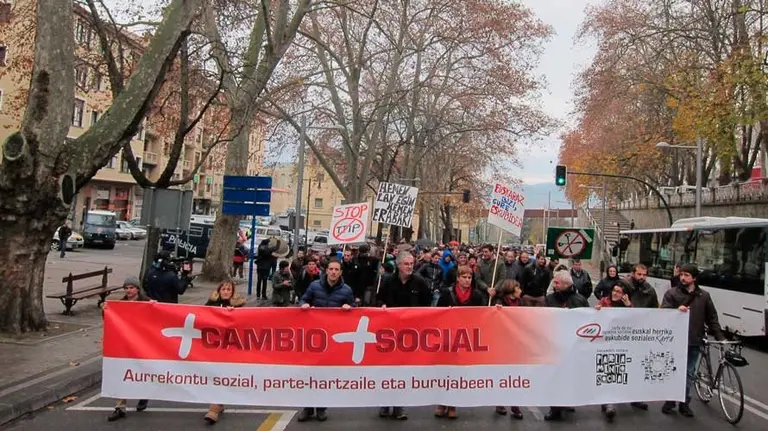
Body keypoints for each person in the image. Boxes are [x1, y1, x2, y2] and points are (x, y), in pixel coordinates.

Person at [660, 263, 725, 417]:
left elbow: (712, 317)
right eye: (681, 274)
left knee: (689, 373)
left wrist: (720, 337)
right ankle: (671, 399)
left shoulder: (704, 296)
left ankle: (684, 403)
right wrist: (676, 311)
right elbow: (664, 313)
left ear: (694, 278)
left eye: (686, 275)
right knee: (674, 372)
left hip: (694, 340)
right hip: (675, 341)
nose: (682, 278)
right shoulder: (671, 293)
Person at [297, 259, 355, 422]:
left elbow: (355, 310)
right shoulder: (315, 286)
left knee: (325, 375)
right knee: (310, 374)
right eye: (331, 269)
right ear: (326, 270)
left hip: (333, 339)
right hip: (314, 338)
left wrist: (350, 308)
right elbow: (303, 299)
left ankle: (321, 408)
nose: (334, 272)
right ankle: (308, 408)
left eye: (337, 269)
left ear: (340, 272)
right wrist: (304, 305)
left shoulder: (346, 290)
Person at [376, 252, 432, 420]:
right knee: (388, 369)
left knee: (402, 370)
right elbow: (378, 300)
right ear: (399, 265)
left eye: (411, 264)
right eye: (406, 264)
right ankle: (385, 403)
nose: (409, 267)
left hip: (410, 333)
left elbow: (427, 303)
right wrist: (382, 305)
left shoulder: (419, 282)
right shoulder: (388, 281)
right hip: (390, 332)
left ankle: (398, 406)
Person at [435, 265, 485, 419]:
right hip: (448, 337)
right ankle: (442, 402)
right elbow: (437, 313)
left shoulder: (476, 296)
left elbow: (482, 315)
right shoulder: (447, 293)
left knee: (458, 372)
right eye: (464, 277)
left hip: (466, 338)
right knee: (445, 371)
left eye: (469, 277)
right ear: (458, 278)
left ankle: (453, 404)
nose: (467, 280)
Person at [103, 276, 152, 422]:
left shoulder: (146, 302)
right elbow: (110, 320)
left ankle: (144, 394)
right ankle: (120, 407)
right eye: (126, 288)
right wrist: (105, 310)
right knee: (122, 373)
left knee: (140, 371)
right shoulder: (120, 304)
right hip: (125, 344)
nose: (128, 290)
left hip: (142, 344)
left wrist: (155, 306)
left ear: (137, 289)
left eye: (131, 287)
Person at [543, 271, 589, 421]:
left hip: (573, 344)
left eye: (557, 282)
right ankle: (555, 409)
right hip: (555, 344)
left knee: (570, 376)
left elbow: (588, 320)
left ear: (566, 284)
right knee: (555, 377)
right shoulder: (550, 299)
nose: (554, 285)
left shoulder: (580, 300)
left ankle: (568, 401)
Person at [203, 280, 245, 424]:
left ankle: (214, 408)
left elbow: (245, 324)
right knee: (214, 376)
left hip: (230, 348)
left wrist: (234, 314)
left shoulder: (239, 306)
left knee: (223, 375)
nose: (226, 292)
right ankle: (218, 404)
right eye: (223, 289)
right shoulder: (211, 304)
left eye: (229, 289)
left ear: (232, 292)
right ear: (219, 291)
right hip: (214, 347)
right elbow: (201, 317)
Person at [594, 280, 632, 421]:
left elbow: (634, 320)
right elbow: (595, 319)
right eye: (614, 290)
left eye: (619, 292)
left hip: (620, 343)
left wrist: (628, 306)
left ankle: (610, 401)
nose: (615, 293)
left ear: (624, 294)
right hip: (605, 343)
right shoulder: (604, 302)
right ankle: (608, 402)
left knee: (616, 371)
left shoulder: (627, 305)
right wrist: (597, 311)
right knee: (606, 371)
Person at [492, 280, 524, 420]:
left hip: (516, 343)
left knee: (516, 375)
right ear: (512, 289)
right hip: (502, 343)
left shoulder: (521, 302)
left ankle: (515, 405)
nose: (520, 290)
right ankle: (500, 402)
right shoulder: (499, 302)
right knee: (502, 374)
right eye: (518, 288)